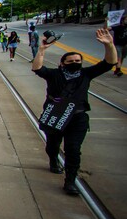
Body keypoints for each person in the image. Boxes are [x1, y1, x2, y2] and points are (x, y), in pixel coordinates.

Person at [32, 28, 117, 194]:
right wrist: (41, 50)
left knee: (73, 148)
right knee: (52, 145)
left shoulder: (86, 74)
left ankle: (70, 181)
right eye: (70, 61)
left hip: (77, 118)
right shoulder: (54, 75)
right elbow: (37, 68)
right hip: (56, 116)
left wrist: (109, 45)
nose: (74, 63)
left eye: (77, 60)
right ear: (62, 63)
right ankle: (53, 160)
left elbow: (109, 62)